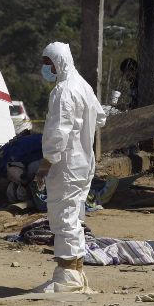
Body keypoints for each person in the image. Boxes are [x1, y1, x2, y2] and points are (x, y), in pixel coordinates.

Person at [33, 42, 107, 293]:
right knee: (74, 216)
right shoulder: (83, 86)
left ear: (58, 62)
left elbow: (57, 134)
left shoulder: (63, 91)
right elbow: (102, 117)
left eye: (47, 64)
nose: (46, 69)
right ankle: (75, 272)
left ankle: (66, 277)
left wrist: (45, 164)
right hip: (84, 162)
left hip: (66, 164)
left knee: (63, 217)